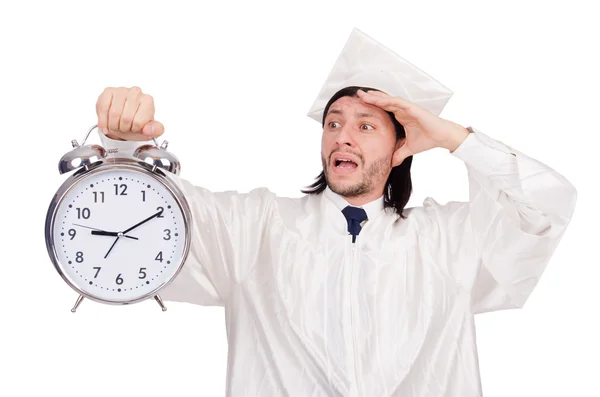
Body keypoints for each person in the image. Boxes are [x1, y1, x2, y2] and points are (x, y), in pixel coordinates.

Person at [93, 29, 577, 397]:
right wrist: (123, 143)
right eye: (333, 123)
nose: (343, 135)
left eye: (367, 125)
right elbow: (146, 224)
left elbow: (544, 208)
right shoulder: (255, 230)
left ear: (400, 147)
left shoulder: (449, 241)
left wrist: (452, 137)